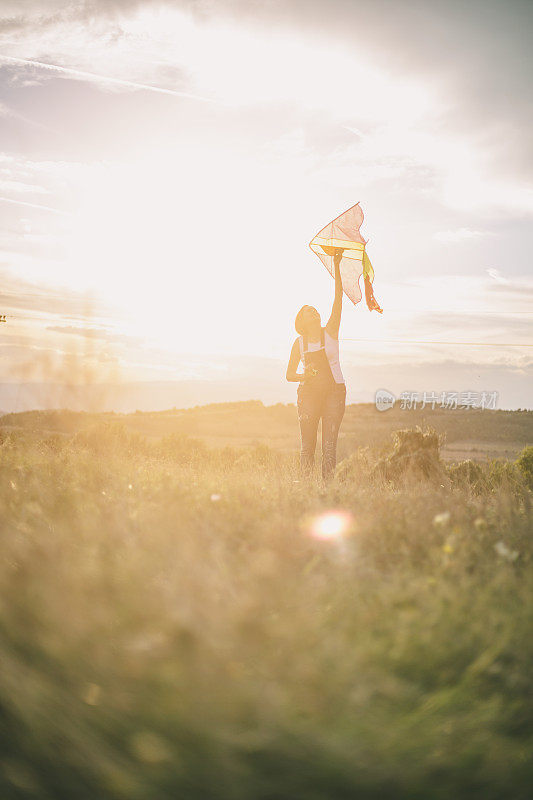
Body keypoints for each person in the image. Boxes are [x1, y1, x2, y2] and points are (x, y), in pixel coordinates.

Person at [286, 248, 346, 480]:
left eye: (315, 310)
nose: (315, 312)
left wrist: (337, 267)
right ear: (301, 321)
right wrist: (305, 375)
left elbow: (338, 299)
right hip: (308, 395)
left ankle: (327, 492)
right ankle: (304, 489)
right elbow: (290, 375)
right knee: (307, 446)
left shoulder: (331, 331)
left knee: (329, 448)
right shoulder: (298, 343)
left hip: (334, 392)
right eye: (310, 312)